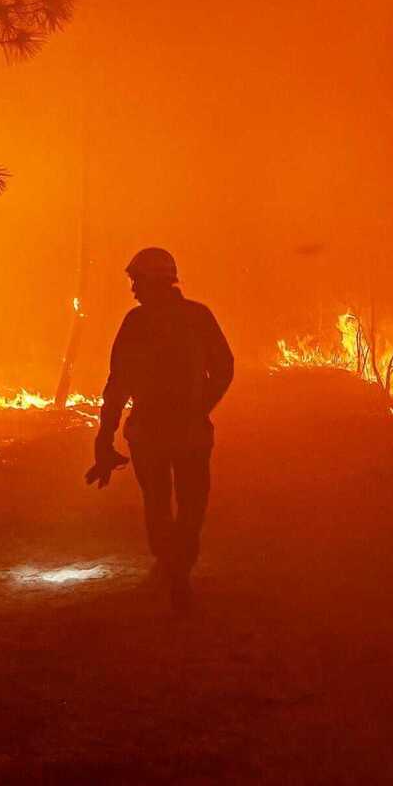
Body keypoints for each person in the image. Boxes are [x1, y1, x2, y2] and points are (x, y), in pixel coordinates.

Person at [86, 248, 234, 611]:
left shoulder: (137, 323)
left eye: (137, 281)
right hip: (188, 432)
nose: (133, 289)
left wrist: (105, 436)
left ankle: (172, 566)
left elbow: (117, 383)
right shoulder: (198, 317)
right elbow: (224, 369)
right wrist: (201, 407)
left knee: (158, 503)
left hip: (151, 432)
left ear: (155, 281)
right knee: (191, 504)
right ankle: (177, 568)